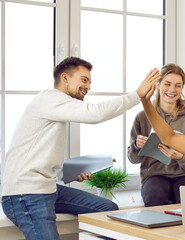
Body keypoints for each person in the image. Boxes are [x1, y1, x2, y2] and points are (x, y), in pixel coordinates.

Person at [1, 57, 160, 240]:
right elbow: (95, 113)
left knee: (107, 209)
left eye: (90, 82)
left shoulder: (57, 106)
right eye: (84, 80)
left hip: (48, 189)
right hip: (25, 194)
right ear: (65, 78)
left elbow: (40, 158)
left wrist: (68, 172)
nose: (88, 87)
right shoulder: (49, 98)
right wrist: (137, 95)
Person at [127, 63, 185, 207]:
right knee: (155, 196)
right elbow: (133, 159)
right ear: (158, 85)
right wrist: (137, 146)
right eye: (167, 84)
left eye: (178, 85)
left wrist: (180, 157)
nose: (172, 90)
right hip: (154, 175)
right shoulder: (142, 117)